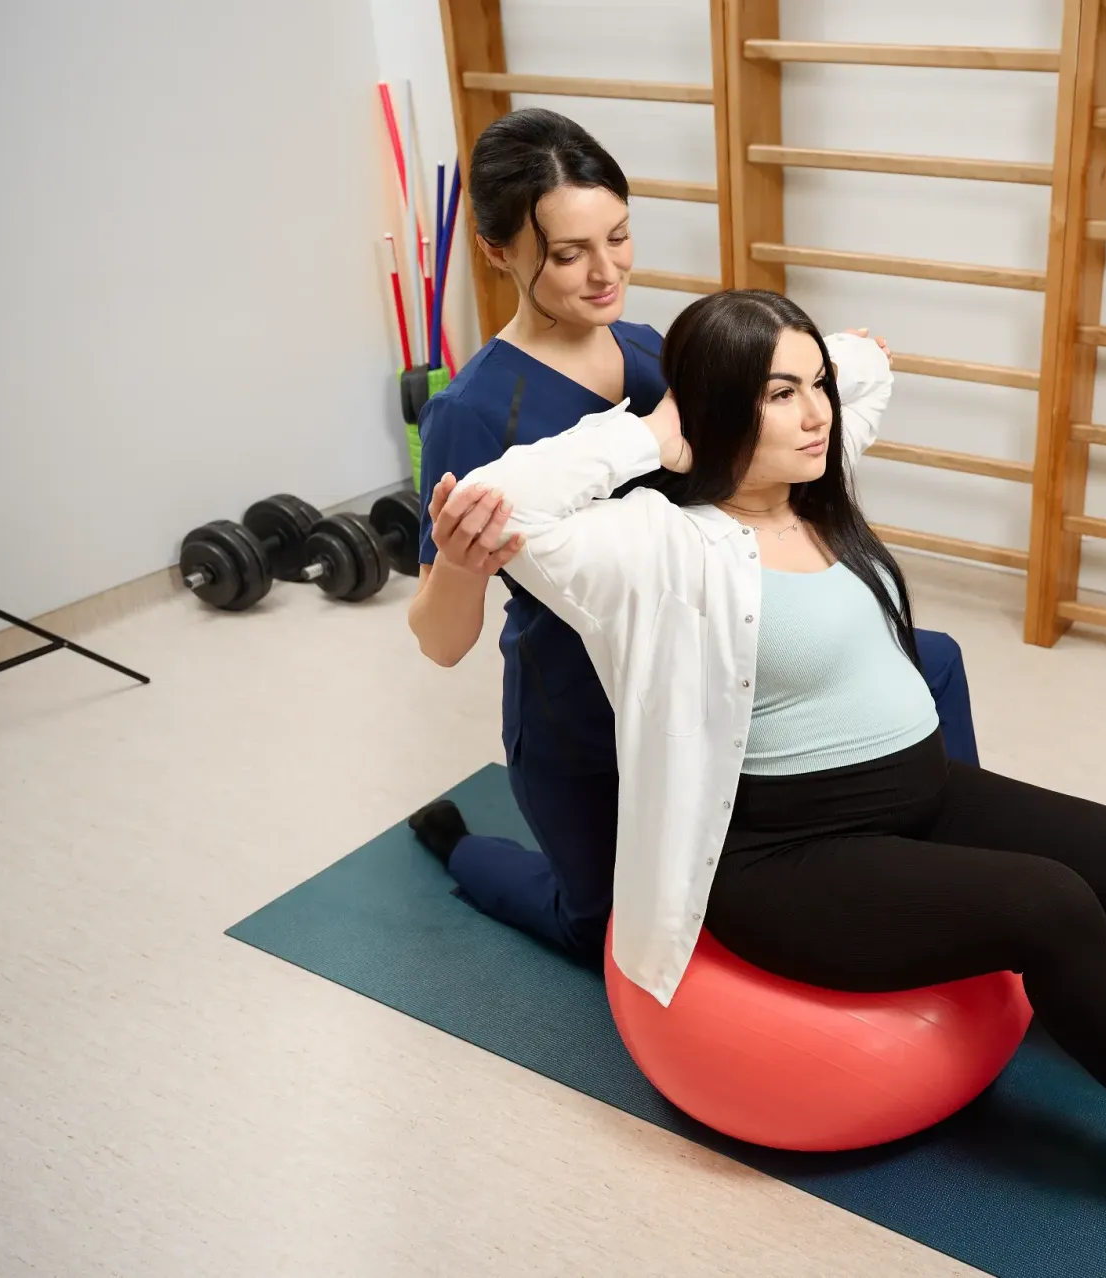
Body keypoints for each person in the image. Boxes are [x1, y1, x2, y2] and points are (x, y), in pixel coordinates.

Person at [446, 287, 1106, 1258]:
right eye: (780, 396)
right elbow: (504, 499)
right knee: (1050, 904)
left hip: (910, 796)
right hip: (783, 857)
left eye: (816, 390)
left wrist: (809, 365)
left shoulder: (815, 478)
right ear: (712, 409)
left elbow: (867, 366)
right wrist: (653, 434)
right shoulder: (648, 549)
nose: (817, 414)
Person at [402, 108, 978, 966]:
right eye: (567, 254)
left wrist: (841, 368)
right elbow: (439, 642)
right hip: (582, 717)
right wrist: (457, 562)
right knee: (596, 929)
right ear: (497, 253)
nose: (606, 273)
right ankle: (466, 851)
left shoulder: (652, 352)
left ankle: (961, 862)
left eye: (620, 236)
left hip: (705, 670)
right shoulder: (475, 412)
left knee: (929, 657)